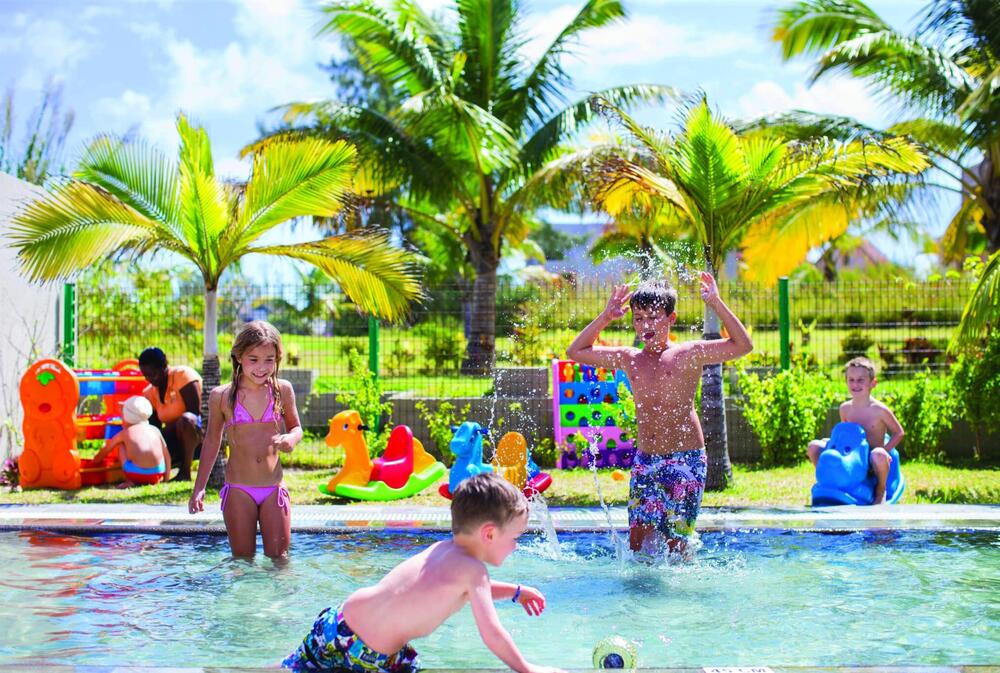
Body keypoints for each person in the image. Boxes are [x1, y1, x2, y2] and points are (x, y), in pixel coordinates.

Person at [281, 473, 563, 673]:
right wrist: (527, 669)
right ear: (489, 534)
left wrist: (515, 592)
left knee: (290, 667)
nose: (515, 546)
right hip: (373, 656)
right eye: (515, 537)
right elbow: (492, 633)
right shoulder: (474, 571)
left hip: (337, 624)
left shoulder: (442, 549)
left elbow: (467, 591)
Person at [567, 272, 753, 556]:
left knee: (676, 545)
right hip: (646, 461)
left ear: (671, 318)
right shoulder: (630, 358)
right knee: (638, 544)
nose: (645, 325)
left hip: (685, 460)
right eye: (638, 318)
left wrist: (715, 302)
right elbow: (576, 351)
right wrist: (606, 316)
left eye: (653, 317)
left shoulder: (689, 353)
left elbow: (743, 345)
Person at [188, 321, 302, 559]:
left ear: (277, 359)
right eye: (254, 359)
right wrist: (199, 488)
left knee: (280, 559)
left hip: (273, 489)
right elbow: (212, 442)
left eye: (269, 360)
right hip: (239, 490)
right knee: (242, 561)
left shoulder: (282, 390)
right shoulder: (222, 396)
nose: (262, 367)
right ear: (239, 356)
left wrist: (292, 438)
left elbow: (296, 427)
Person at [807, 357, 904, 504]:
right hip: (851, 456)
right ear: (846, 382)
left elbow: (899, 432)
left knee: (878, 454)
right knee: (814, 447)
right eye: (851, 380)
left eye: (860, 380)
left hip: (870, 459)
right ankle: (829, 481)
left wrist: (886, 450)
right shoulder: (845, 408)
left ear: (873, 383)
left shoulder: (879, 410)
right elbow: (844, 435)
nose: (855, 384)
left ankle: (880, 490)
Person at [139, 347, 203, 481]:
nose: (150, 379)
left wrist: (168, 430)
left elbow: (196, 414)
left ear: (164, 366)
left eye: (153, 374)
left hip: (201, 434)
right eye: (146, 376)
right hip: (176, 438)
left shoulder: (183, 375)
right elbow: (154, 428)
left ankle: (185, 472)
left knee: (186, 420)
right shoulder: (149, 392)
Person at [91, 395, 171, 487]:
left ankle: (130, 481)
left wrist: (95, 461)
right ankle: (154, 480)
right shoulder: (155, 430)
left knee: (121, 444)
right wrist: (166, 478)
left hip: (136, 474)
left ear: (128, 416)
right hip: (157, 473)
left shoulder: (125, 433)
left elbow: (106, 449)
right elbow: (167, 456)